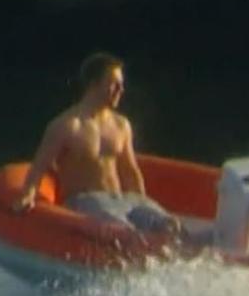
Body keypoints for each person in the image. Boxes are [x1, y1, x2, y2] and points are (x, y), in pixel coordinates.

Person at [13, 52, 181, 236]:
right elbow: (39, 167)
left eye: (122, 84)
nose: (121, 90)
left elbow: (130, 170)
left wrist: (142, 201)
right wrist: (27, 196)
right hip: (86, 200)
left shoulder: (121, 125)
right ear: (93, 85)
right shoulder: (66, 126)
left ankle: (172, 262)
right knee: (121, 229)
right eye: (114, 84)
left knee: (171, 225)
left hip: (123, 199)